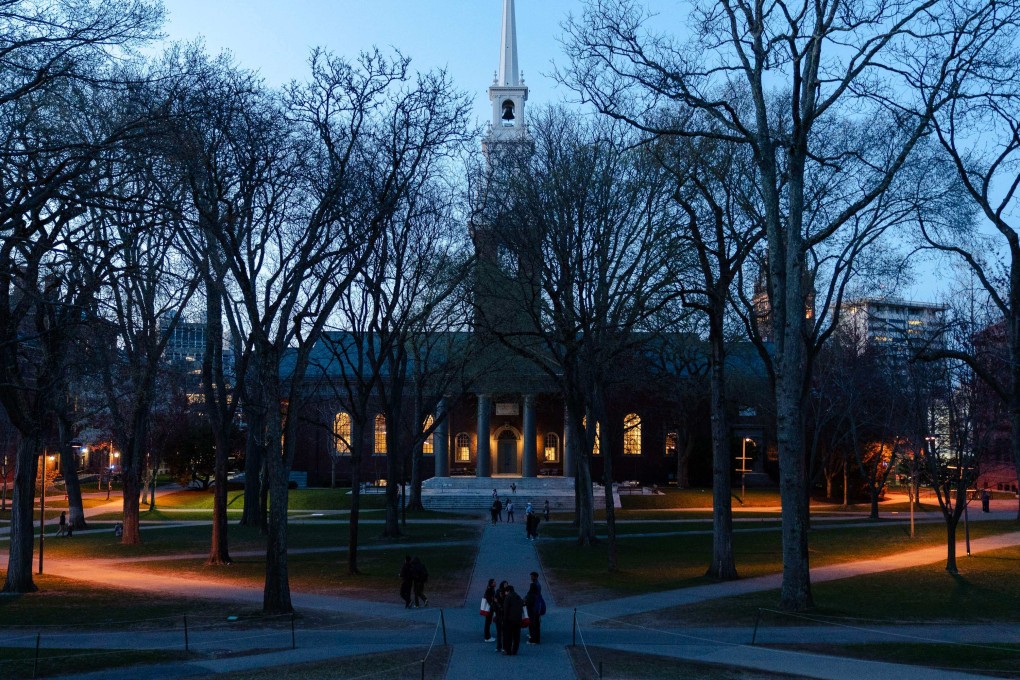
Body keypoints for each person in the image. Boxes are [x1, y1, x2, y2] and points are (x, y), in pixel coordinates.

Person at [501, 584, 525, 655]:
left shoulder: (508, 597)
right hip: (518, 620)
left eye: (505, 591)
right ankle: (515, 650)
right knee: (516, 636)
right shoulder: (518, 597)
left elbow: (506, 609)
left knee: (508, 636)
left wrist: (504, 620)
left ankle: (508, 651)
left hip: (509, 620)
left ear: (508, 591)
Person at [524, 571, 545, 644]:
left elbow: (529, 596)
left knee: (533, 623)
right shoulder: (537, 585)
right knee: (536, 624)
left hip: (533, 608)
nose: (531, 578)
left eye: (532, 576)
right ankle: (535, 638)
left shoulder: (534, 586)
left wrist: (525, 601)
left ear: (535, 577)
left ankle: (533, 638)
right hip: (536, 607)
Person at [493, 580, 507, 653]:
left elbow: (495, 603)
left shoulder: (504, 593)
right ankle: (500, 646)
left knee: (502, 632)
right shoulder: (503, 593)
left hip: (500, 614)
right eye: (505, 584)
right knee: (500, 632)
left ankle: (501, 646)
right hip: (501, 614)